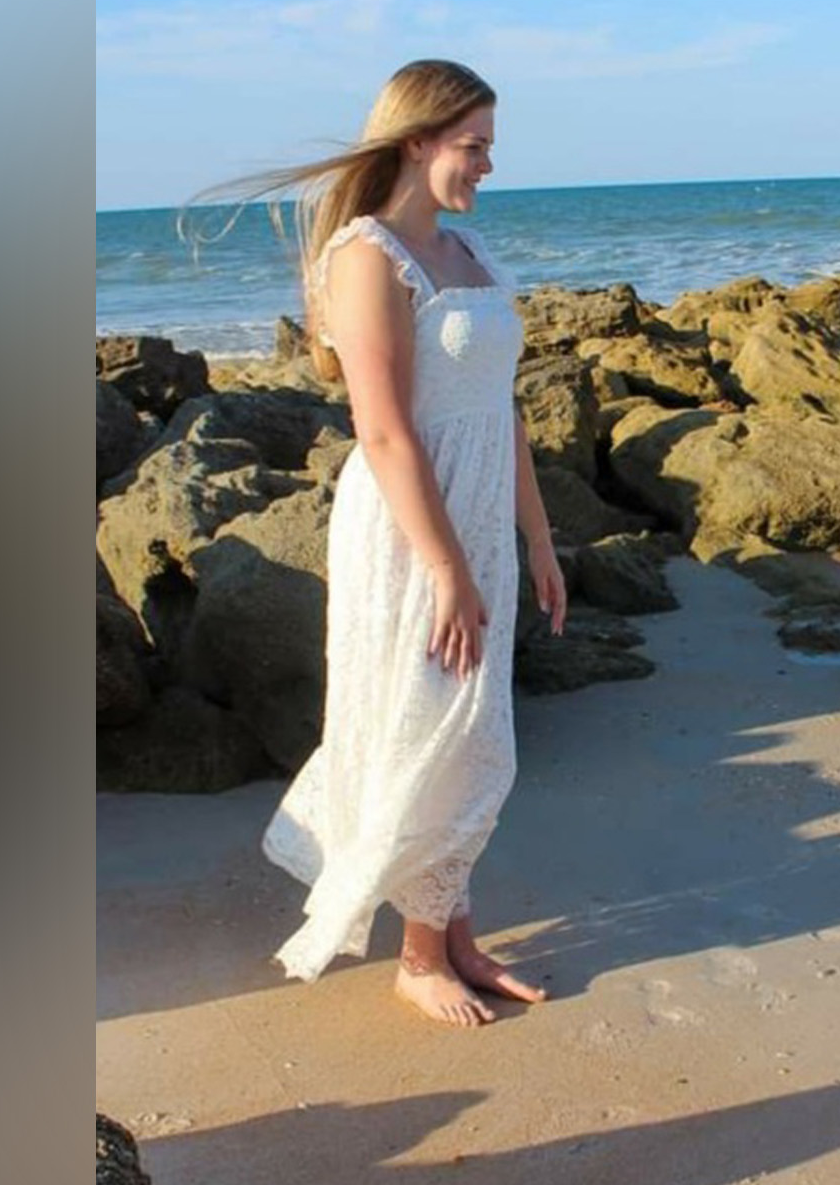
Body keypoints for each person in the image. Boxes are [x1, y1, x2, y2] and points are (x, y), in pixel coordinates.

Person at [209, 59, 566, 1025]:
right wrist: (447, 567)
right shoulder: (368, 258)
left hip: (482, 518)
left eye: (490, 146)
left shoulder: (472, 256)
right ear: (417, 139)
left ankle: (452, 937)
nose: (489, 165)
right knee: (428, 729)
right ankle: (420, 956)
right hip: (413, 533)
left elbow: (506, 413)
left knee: (471, 729)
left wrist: (537, 538)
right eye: (473, 145)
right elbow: (384, 430)